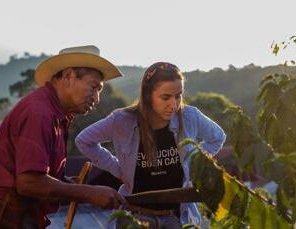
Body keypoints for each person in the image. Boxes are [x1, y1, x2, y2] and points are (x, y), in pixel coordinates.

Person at [0, 45, 127, 229]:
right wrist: (88, 193)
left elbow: (41, 175)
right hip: (4, 217)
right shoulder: (40, 113)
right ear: (69, 76)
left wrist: (71, 186)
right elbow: (29, 183)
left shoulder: (55, 114)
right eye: (94, 87)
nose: (97, 98)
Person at [75, 62, 226, 228]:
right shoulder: (122, 120)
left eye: (178, 95)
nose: (174, 105)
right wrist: (117, 168)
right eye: (166, 97)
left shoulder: (190, 116)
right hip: (135, 216)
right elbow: (84, 141)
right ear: (148, 96)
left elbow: (217, 137)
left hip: (176, 217)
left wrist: (193, 163)